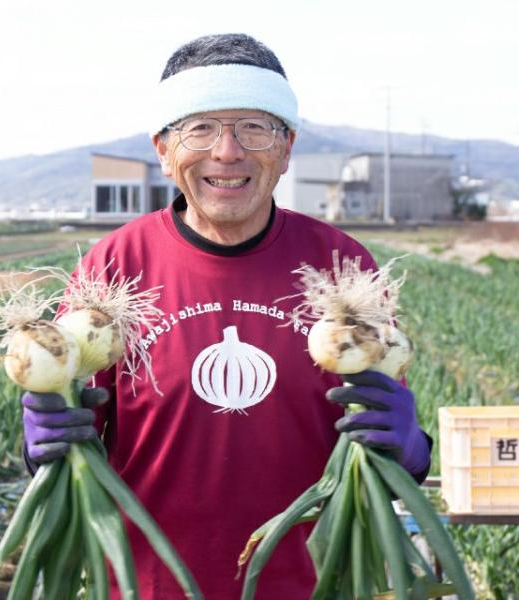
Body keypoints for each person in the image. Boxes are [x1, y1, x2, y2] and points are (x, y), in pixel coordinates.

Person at [22, 33, 432, 599]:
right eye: (200, 128)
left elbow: (380, 447)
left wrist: (409, 448)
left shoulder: (341, 267)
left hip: (316, 584)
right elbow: (73, 438)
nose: (227, 151)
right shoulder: (112, 268)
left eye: (254, 127)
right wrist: (41, 440)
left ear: (286, 148)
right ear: (163, 150)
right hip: (151, 586)